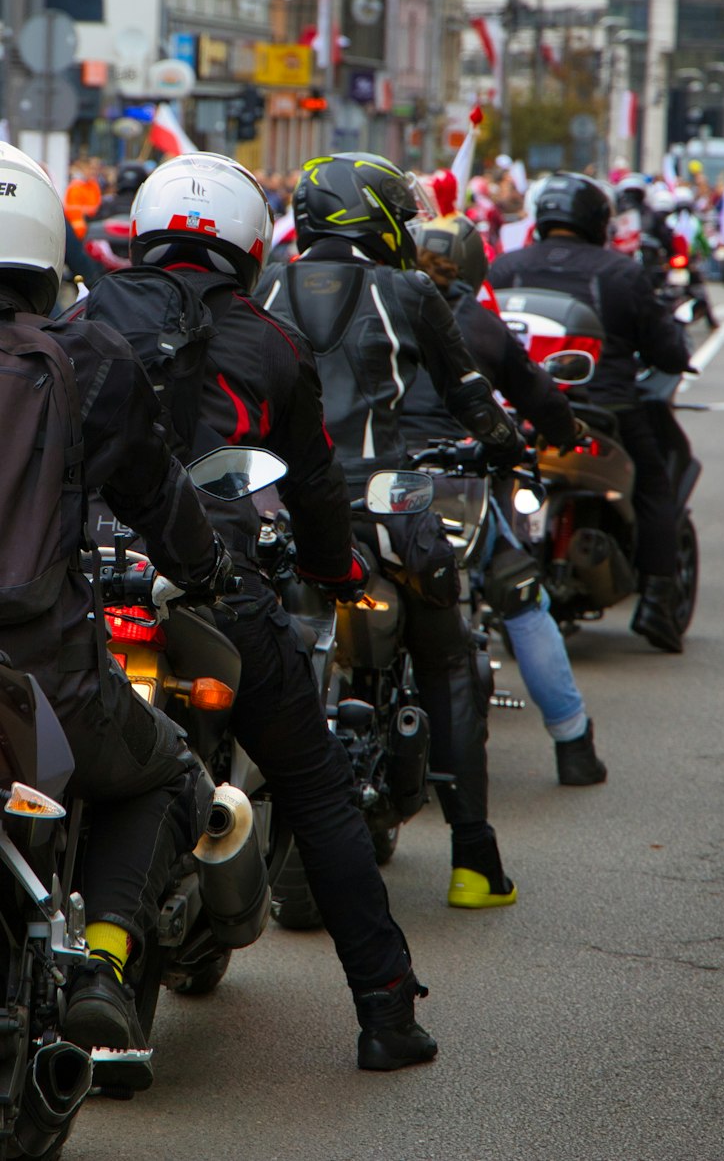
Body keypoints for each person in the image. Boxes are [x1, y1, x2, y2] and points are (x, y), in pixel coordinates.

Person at [76, 152, 436, 1071]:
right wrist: (335, 569)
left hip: (88, 575)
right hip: (215, 585)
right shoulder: (272, 343)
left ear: (143, 226)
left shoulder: (88, 314)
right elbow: (315, 486)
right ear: (249, 244)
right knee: (315, 785)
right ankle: (386, 1013)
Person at [0, 144, 235, 1083]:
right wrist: (205, 567)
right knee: (166, 773)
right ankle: (103, 960)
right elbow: (157, 491)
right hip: (46, 669)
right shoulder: (86, 353)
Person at [256, 154, 525, 909]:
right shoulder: (410, 290)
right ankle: (474, 860)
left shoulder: (264, 283)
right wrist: (506, 445)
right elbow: (471, 394)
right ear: (369, 214)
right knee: (448, 655)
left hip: (274, 505)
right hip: (381, 508)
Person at [406, 214, 607, 787]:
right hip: (449, 486)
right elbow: (540, 396)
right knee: (520, 597)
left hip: (368, 478)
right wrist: (568, 433)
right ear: (473, 265)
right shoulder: (480, 324)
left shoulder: (378, 303)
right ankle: (573, 745)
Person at [489, 172, 691, 654]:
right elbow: (668, 350)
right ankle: (658, 603)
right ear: (599, 221)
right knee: (656, 484)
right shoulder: (622, 273)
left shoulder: (504, 268)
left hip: (517, 411)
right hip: (607, 411)